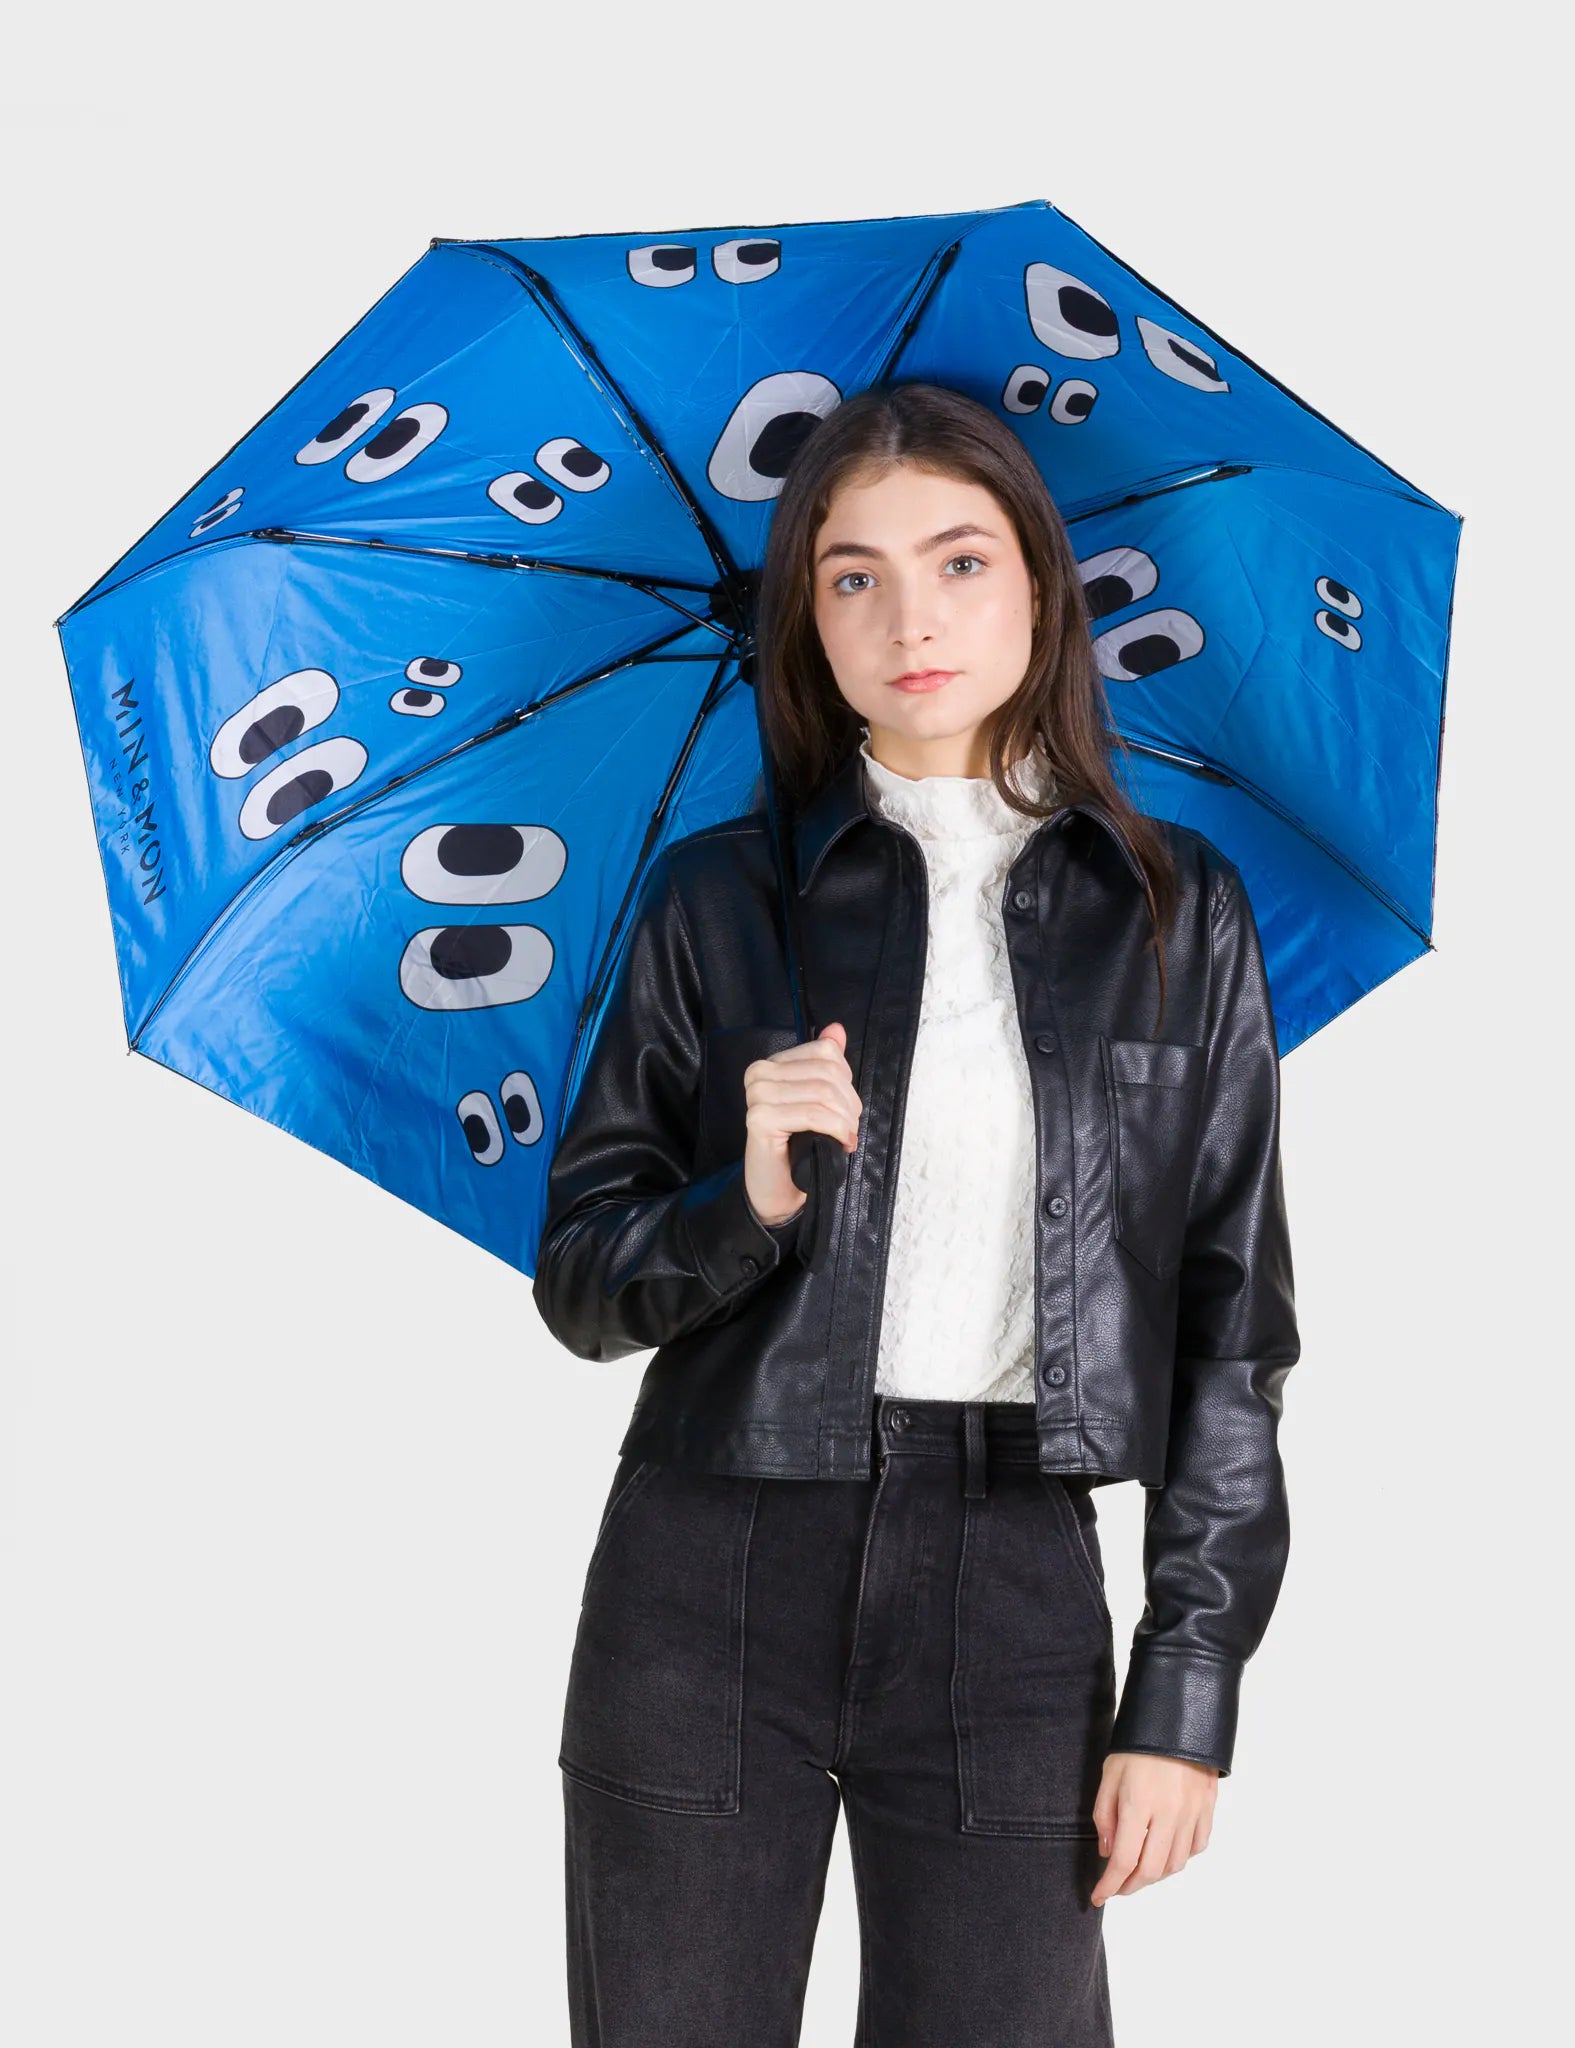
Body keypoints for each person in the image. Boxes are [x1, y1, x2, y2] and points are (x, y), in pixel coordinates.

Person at [532, 381, 1299, 2046]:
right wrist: (739, 1196)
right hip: (706, 1567)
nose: (911, 618)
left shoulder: (1179, 914)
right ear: (805, 618)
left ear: (1040, 577)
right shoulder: (715, 902)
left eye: (958, 561)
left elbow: (1234, 1333)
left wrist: (1186, 1694)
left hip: (1013, 1575)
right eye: (852, 576)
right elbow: (584, 1284)